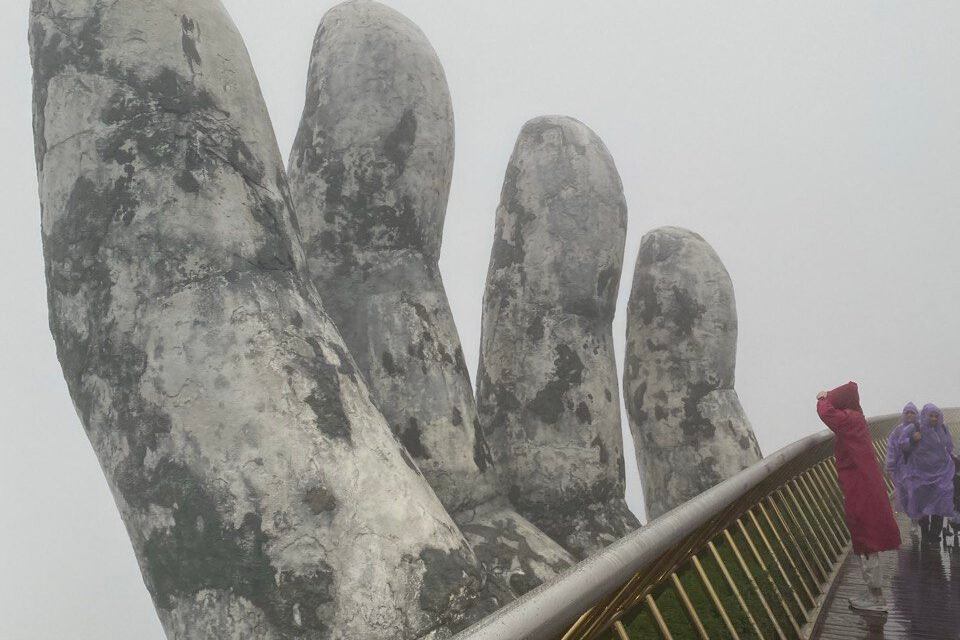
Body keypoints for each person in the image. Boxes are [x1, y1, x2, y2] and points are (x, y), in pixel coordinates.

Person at [817, 381, 901, 612]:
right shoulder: (857, 418)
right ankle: (874, 592)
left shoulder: (849, 420)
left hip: (860, 487)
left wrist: (824, 398)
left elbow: (825, 413)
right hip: (865, 484)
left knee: (866, 538)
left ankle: (876, 596)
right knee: (868, 536)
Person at [900, 403, 955, 545]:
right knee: (922, 504)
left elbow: (948, 447)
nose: (934, 419)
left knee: (940, 502)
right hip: (920, 473)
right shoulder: (914, 428)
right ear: (925, 415)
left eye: (936, 416)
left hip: (941, 473)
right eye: (931, 415)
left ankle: (934, 535)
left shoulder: (942, 428)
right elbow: (902, 444)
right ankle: (925, 532)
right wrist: (913, 439)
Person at [885, 402, 919, 515]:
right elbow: (891, 448)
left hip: (919, 468)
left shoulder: (921, 429)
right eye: (907, 413)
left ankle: (915, 521)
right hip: (902, 468)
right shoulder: (897, 431)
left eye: (912, 413)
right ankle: (913, 517)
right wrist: (890, 466)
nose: (909, 415)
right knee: (907, 497)